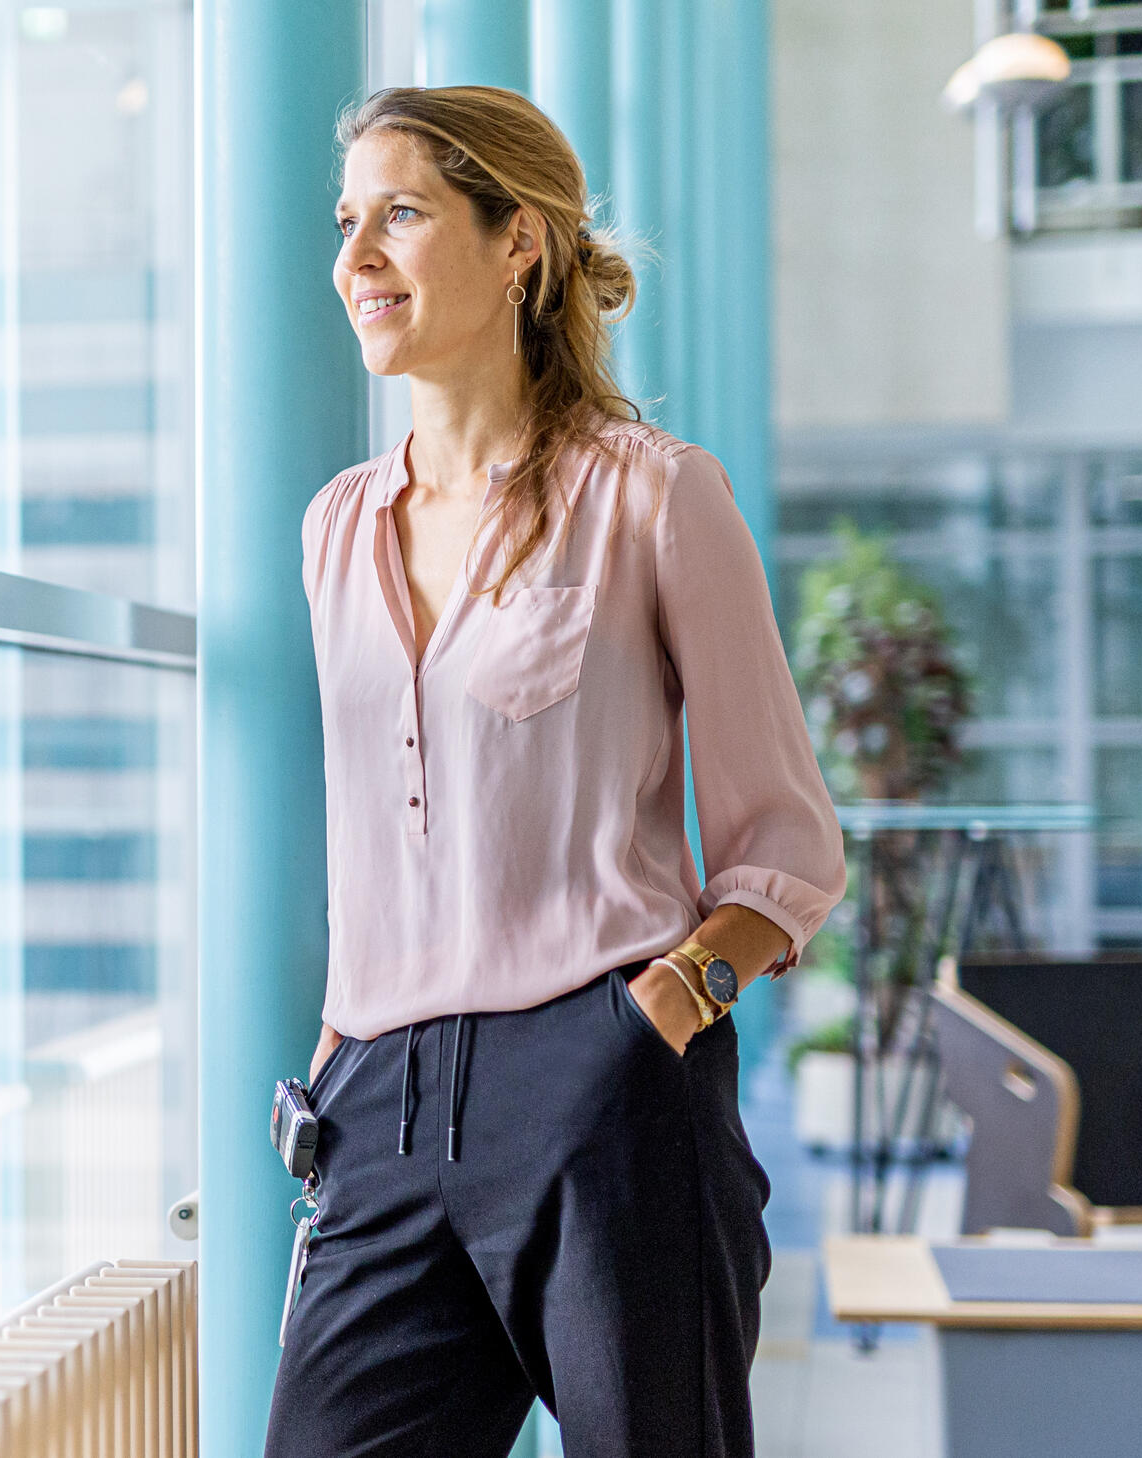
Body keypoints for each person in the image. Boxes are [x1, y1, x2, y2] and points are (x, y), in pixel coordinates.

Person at [264, 85, 846, 1458]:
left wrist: (663, 1013)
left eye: (400, 214)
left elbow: (789, 842)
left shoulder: (654, 496)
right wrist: (345, 1048)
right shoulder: (337, 529)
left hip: (604, 1090)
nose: (355, 257)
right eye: (347, 221)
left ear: (518, 241)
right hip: (379, 1104)